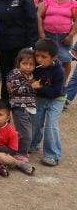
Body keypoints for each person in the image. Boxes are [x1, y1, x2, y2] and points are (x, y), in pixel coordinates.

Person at [0, 0, 38, 101]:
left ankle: (20, 111)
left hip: (21, 47)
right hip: (3, 47)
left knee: (20, 79)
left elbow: (32, 23)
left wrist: (30, 47)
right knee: (6, 79)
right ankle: (5, 111)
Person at [30, 38, 66, 166]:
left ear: (54, 57)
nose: (39, 59)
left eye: (44, 57)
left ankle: (52, 154)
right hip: (40, 99)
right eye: (37, 55)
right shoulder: (35, 66)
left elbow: (56, 92)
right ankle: (32, 145)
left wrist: (40, 87)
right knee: (36, 122)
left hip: (56, 100)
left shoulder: (59, 71)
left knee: (51, 124)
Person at [0, 99, 35, 176]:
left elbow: (13, 150)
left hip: (2, 154)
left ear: (8, 118)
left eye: (0, 114)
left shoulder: (11, 131)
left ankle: (18, 163)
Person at [37, 0, 76, 79]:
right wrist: (41, 33)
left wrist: (71, 36)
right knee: (46, 59)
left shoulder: (73, 4)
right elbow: (39, 16)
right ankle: (47, 81)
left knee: (66, 61)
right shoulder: (47, 0)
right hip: (48, 35)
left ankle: (62, 83)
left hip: (64, 38)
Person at [6, 48, 37, 156]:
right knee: (25, 133)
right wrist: (31, 86)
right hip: (19, 107)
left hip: (31, 108)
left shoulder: (33, 75)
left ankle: (17, 148)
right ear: (19, 62)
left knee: (31, 132)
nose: (28, 67)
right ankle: (21, 154)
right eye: (25, 63)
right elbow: (13, 89)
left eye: (31, 64)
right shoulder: (14, 74)